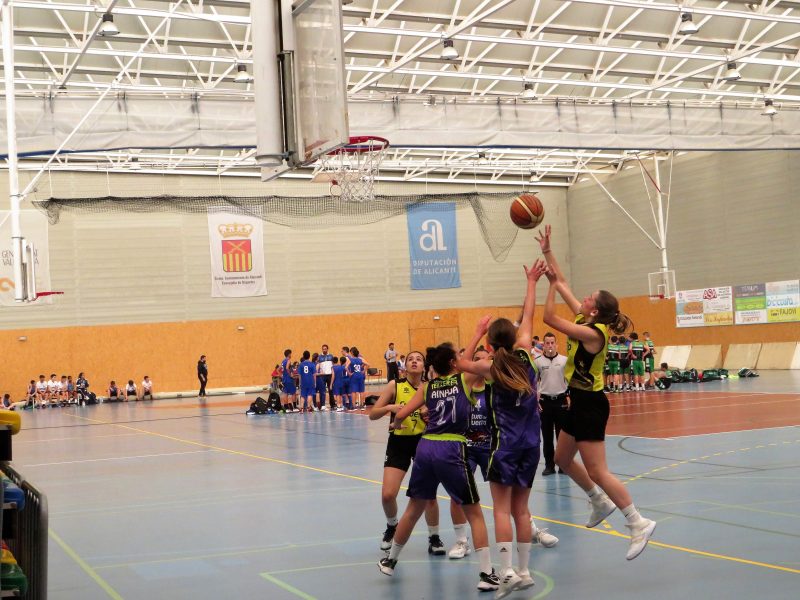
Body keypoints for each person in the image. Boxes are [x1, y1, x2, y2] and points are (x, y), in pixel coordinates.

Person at [538, 224, 656, 561]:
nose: (584, 297)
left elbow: (549, 317)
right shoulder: (586, 318)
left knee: (598, 470)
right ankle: (598, 500)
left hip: (591, 404)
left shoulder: (594, 333)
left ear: (594, 310)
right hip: (578, 400)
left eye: (589, 297)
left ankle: (638, 522)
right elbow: (562, 281)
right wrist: (548, 252)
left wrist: (548, 286)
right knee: (562, 459)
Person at [456, 259, 547, 597]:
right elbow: (530, 313)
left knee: (502, 509)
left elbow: (458, 365)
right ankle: (524, 571)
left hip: (504, 446)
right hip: (532, 444)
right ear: (516, 337)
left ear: (492, 345)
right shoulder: (527, 356)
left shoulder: (491, 367)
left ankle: (506, 571)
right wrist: (532, 282)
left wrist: (477, 332)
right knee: (522, 510)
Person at [378, 343, 499, 593]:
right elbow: (474, 363)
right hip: (451, 447)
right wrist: (478, 333)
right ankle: (487, 574)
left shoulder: (428, 387)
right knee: (475, 513)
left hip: (426, 447)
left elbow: (401, 414)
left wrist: (396, 424)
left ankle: (390, 560)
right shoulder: (463, 380)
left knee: (413, 509)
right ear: (454, 363)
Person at [369, 351, 445, 556]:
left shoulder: (431, 387)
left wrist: (429, 413)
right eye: (411, 359)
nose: (414, 361)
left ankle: (434, 537)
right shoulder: (394, 385)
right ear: (405, 366)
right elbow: (373, 415)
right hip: (399, 442)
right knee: (388, 495)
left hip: (424, 442)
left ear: (424, 366)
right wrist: (390, 407)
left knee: (429, 496)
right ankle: (392, 526)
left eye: (418, 359)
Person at [535, 332, 569, 476]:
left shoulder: (564, 360)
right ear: (543, 345)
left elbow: (570, 381)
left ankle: (563, 465)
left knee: (562, 437)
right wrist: (535, 399)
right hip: (545, 402)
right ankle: (549, 465)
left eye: (552, 343)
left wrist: (569, 397)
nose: (550, 345)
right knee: (547, 435)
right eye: (547, 343)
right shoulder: (537, 361)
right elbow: (533, 383)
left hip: (561, 401)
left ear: (556, 344)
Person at [318, 344, 335, 409]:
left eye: (325, 349)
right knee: (322, 391)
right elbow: (318, 366)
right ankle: (322, 405)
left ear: (327, 349)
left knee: (331, 390)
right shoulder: (319, 357)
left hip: (330, 375)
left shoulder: (331, 356)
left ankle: (332, 405)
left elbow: (333, 365)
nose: (324, 350)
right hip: (322, 376)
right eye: (323, 349)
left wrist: (333, 373)